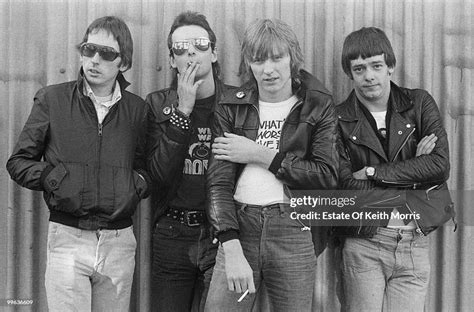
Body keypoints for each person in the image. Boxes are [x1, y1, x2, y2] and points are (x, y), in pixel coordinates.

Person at [6, 16, 150, 311]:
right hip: (67, 239)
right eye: (88, 49)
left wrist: (136, 185)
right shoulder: (52, 99)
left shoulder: (137, 110)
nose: (95, 60)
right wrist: (55, 178)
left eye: (107, 53)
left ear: (123, 62)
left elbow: (144, 164)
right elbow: (18, 162)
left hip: (119, 242)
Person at [205, 18, 338, 311]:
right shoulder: (231, 106)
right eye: (258, 59)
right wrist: (230, 243)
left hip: (294, 228)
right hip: (240, 226)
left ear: (292, 59)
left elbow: (326, 175)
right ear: (248, 63)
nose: (268, 69)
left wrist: (259, 154)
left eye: (277, 58)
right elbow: (218, 183)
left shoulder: (317, 105)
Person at [335, 27, 454, 311]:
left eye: (376, 65)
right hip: (364, 241)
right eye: (359, 68)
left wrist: (373, 173)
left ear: (390, 65)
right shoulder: (339, 119)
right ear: (349, 73)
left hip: (414, 241)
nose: (369, 76)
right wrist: (415, 166)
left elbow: (440, 165)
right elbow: (345, 187)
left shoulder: (419, 103)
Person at [146, 11, 234, 312]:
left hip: (224, 236)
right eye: (181, 48)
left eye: (199, 43)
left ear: (214, 52)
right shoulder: (158, 104)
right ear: (172, 60)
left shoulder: (238, 102)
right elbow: (157, 175)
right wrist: (182, 112)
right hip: (173, 233)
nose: (191, 52)